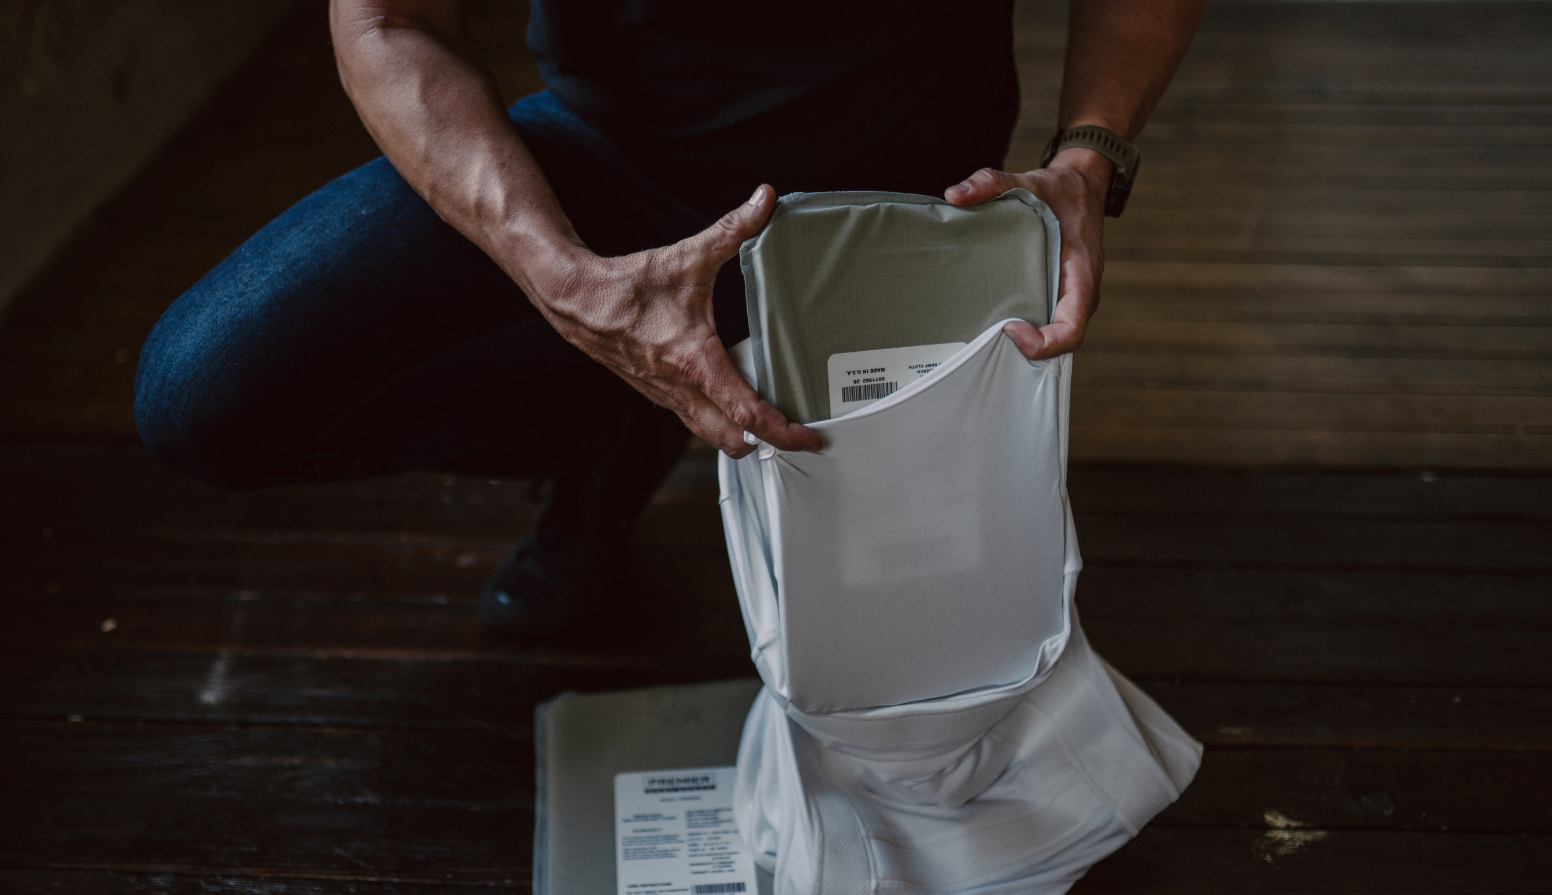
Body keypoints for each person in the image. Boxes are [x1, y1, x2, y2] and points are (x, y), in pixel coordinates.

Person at [134, 0, 1207, 636]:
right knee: (205, 391)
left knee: (918, 661)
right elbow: (386, 19)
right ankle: (612, 420)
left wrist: (1090, 151)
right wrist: (560, 276)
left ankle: (685, 401)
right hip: (614, 173)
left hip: (916, 211)